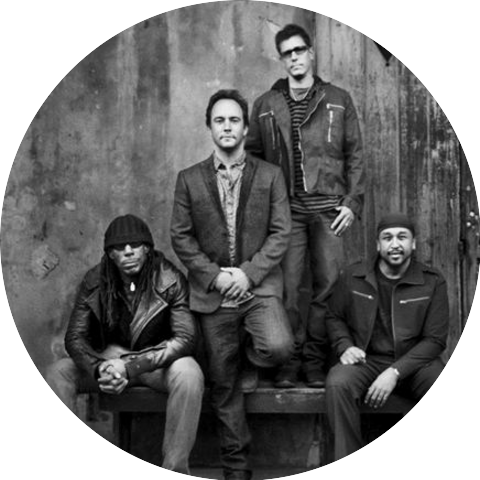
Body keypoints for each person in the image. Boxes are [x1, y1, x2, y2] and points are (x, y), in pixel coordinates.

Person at [170, 89, 293, 480]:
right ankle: (236, 468)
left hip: (258, 289)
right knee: (224, 385)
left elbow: (281, 233)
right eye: (219, 120)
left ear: (245, 127)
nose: (227, 127)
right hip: (214, 295)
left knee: (278, 347)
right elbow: (181, 238)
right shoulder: (189, 179)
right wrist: (217, 277)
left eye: (234, 120)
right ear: (209, 127)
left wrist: (247, 274)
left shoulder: (270, 175)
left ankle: (247, 358)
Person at [246, 23, 365, 388]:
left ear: (311, 53)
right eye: (287, 53)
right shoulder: (266, 104)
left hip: (330, 209)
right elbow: (253, 158)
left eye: (300, 50)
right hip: (287, 212)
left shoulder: (338, 99)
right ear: (281, 59)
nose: (295, 58)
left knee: (328, 287)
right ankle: (290, 362)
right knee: (289, 288)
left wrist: (352, 203)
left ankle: (314, 361)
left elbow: (355, 155)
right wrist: (266, 207)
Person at [44, 214, 204, 480]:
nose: (128, 251)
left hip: (155, 364)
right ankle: (63, 476)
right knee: (57, 373)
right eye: (119, 247)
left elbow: (185, 338)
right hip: (108, 361)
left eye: (135, 245)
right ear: (110, 254)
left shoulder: (170, 279)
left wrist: (130, 366)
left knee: (189, 373)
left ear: (147, 248)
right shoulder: (94, 281)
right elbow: (75, 338)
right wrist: (100, 369)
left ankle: (174, 476)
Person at [325, 212, 470, 480]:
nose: (395, 244)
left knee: (445, 388)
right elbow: (334, 316)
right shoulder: (353, 276)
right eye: (387, 238)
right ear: (378, 244)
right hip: (367, 361)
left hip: (415, 364)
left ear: (413, 244)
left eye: (402, 237)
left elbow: (435, 340)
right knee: (338, 383)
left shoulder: (432, 280)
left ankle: (450, 476)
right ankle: (356, 473)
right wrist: (345, 346)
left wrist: (394, 372)